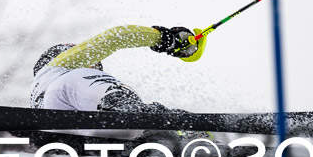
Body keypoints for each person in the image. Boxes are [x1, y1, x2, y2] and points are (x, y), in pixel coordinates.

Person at [30, 25, 207, 115]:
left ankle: (151, 128)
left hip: (76, 130)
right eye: (94, 63)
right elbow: (117, 37)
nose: (96, 64)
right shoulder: (59, 68)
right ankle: (147, 117)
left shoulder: (38, 95)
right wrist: (166, 39)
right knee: (84, 80)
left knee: (109, 92)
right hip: (85, 101)